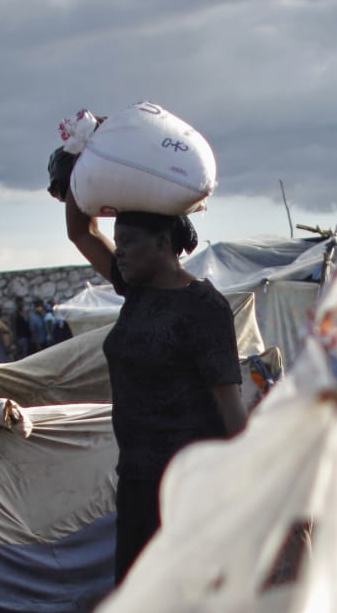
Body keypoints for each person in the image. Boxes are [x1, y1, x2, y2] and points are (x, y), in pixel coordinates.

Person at [61, 200, 247, 581]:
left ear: (163, 243)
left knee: (186, 606)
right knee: (137, 604)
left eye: (129, 241)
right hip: (137, 481)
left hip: (189, 487)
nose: (120, 252)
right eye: (118, 241)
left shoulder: (204, 307)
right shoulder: (136, 289)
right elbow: (81, 231)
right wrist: (77, 169)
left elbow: (229, 403)